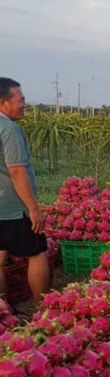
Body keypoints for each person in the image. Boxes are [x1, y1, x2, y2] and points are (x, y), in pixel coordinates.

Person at [0, 78, 49, 304]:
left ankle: (3, 310)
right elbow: (18, 172)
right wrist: (33, 208)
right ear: (3, 103)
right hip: (14, 206)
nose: (24, 105)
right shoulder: (9, 129)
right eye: (20, 100)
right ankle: (43, 312)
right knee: (37, 253)